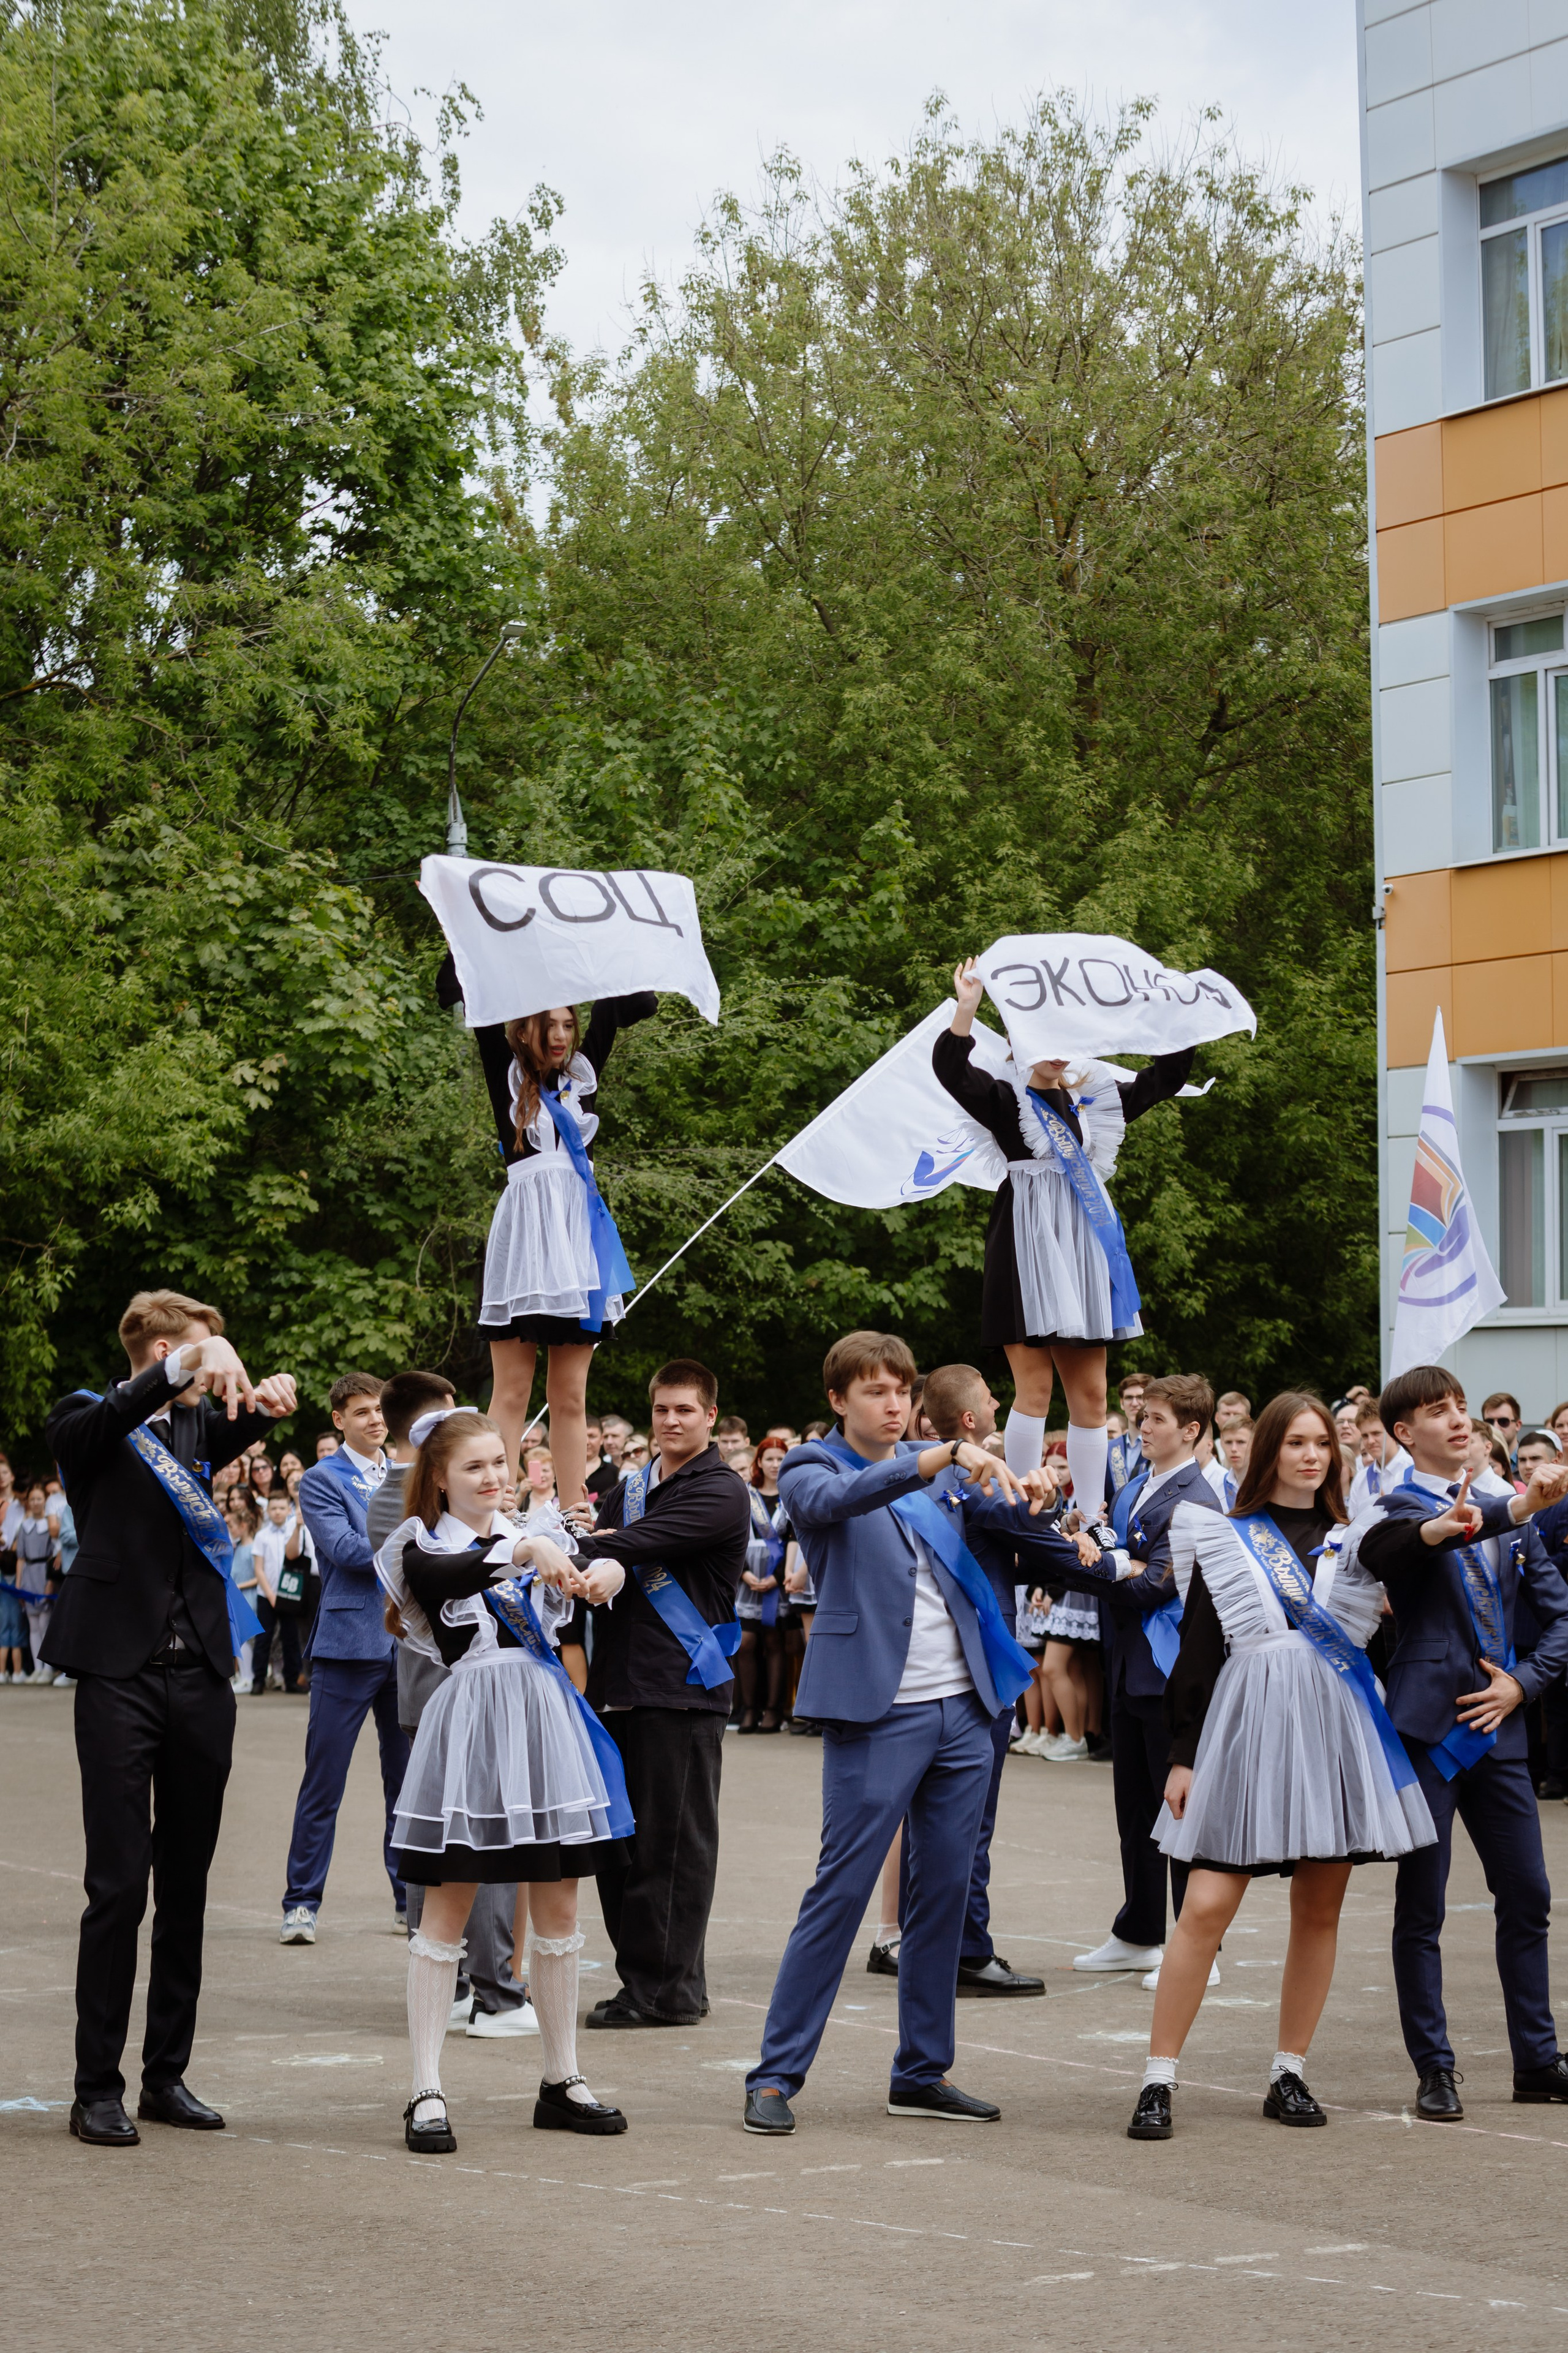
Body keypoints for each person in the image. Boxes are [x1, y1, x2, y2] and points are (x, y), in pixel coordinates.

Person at [744, 1332, 1060, 2136]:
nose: (891, 1404)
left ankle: (921, 2072)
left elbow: (1005, 1518)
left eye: (900, 1390)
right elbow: (826, 1507)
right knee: (841, 1892)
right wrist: (940, 1457)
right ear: (838, 1400)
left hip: (964, 1708)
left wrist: (1037, 1492)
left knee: (944, 1899)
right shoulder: (818, 1465)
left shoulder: (940, 1465)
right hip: (878, 1712)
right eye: (875, 1391)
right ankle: (775, 2074)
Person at [1125, 1391, 1436, 2143]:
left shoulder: (1357, 1539)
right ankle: (1157, 2079)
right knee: (1202, 1907)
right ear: (1267, 1450)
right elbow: (1199, 1646)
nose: (1310, 1455)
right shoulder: (1224, 1533)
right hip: (1243, 1727)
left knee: (1318, 1908)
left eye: (1322, 1444)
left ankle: (1288, 2070)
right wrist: (1181, 1753)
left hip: (1333, 1731)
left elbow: (1407, 1572)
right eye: (1295, 1442)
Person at [43, 1289, 296, 2146]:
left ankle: (166, 2077)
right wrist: (187, 1366)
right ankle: (95, 2087)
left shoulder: (194, 1430)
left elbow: (242, 1425)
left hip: (201, 1682)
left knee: (186, 1884)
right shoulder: (87, 1418)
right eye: (196, 1352)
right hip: (118, 1675)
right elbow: (106, 1419)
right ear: (157, 1352)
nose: (213, 1364)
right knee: (117, 1886)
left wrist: (274, 1391)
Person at [375, 1406, 631, 2148]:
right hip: (473, 1725)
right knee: (446, 1906)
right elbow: (450, 1573)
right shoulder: (420, 1544)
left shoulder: (537, 1533)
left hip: (545, 1720)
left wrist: (599, 1572)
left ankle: (562, 2077)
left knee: (558, 1903)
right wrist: (526, 1550)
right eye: (474, 1467)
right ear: (440, 1479)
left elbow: (590, 1576)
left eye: (500, 1462)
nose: (492, 1477)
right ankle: (425, 2087)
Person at [1354, 1366, 1568, 2120]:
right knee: (1423, 1905)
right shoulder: (1394, 1508)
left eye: (1462, 1410)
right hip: (1427, 1735)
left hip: (1500, 1732)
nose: (1457, 1421)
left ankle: (1537, 2060)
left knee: (1530, 1895)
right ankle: (1435, 2066)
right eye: (1436, 1412)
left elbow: (1561, 1616)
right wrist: (1503, 1508)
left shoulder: (1509, 1519)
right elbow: (1399, 1550)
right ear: (1404, 1432)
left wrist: (1522, 1683)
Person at [933, 957, 1196, 1519]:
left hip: (1080, 1251)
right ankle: (1025, 1503)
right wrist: (967, 1006)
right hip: (1026, 1247)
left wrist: (1178, 1013)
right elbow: (952, 1072)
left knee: (1094, 1397)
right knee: (1033, 1391)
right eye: (1043, 1038)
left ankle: (1092, 1514)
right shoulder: (1006, 1101)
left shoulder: (1095, 1102)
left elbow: (1164, 1077)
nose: (1056, 1050)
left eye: (1066, 1039)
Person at [567, 1361, 750, 2030]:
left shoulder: (721, 1490)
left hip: (681, 1687)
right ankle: (672, 1986)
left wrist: (580, 1544)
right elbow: (609, 1545)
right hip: (621, 1686)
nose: (672, 1420)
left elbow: (643, 1542)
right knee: (623, 1849)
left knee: (672, 1850)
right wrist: (583, 1543)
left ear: (710, 1416)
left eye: (686, 1410)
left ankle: (654, 1990)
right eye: (662, 1409)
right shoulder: (631, 1489)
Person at [439, 954, 655, 1505]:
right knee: (511, 1390)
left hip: (578, 1239)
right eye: (549, 1025)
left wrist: (602, 952)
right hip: (527, 1241)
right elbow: (460, 983)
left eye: (568, 1025)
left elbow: (639, 999)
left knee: (570, 1395)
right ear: (525, 1028)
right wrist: (463, 920)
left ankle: (573, 1507)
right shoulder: (503, 1070)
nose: (561, 1036)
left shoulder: (584, 1074)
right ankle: (493, 1503)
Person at [1067, 1374, 1224, 1986]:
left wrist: (1094, 1564)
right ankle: (1139, 1930)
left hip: (1171, 1670)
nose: (1143, 1425)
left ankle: (1198, 1944)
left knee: (1181, 1810)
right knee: (1134, 1809)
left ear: (1189, 1429)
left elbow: (1157, 1582)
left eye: (1156, 1418)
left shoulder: (1197, 1497)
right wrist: (1107, 1555)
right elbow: (1122, 1558)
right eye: (1144, 1416)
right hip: (1128, 1666)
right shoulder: (1136, 1484)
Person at [279, 1374, 409, 1944]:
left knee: (407, 1783)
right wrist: (420, 1537)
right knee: (323, 1781)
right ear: (339, 1420)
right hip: (347, 1645)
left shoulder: (408, 1470)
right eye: (361, 1412)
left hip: (408, 1645)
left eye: (380, 1410)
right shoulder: (321, 1479)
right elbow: (346, 1551)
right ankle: (302, 1901)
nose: (375, 1420)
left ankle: (412, 1899)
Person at [736, 1439, 791, 1734]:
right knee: (746, 1643)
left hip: (777, 1577)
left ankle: (773, 1710)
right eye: (769, 1458)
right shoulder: (747, 1495)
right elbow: (731, 1536)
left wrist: (779, 1576)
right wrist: (743, 1573)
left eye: (780, 1458)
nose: (774, 1464)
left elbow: (796, 1539)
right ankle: (749, 1709)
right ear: (759, 1462)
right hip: (747, 1574)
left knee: (774, 1643)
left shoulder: (790, 1494)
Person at [249, 1489, 304, 1694]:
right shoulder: (262, 1536)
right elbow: (258, 1569)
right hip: (267, 1596)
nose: (278, 1512)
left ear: (289, 1509)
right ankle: (258, 1680)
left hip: (290, 1595)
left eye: (282, 1508)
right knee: (263, 1639)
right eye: (274, 1509)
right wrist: (271, 1595)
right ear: (268, 1511)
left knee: (291, 1639)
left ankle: (291, 1681)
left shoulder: (294, 1532)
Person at [14, 1481, 58, 1682]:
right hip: (29, 1574)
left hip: (44, 1573)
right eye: (32, 1499)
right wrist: (19, 1584)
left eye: (39, 1499)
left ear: (45, 1501)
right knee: (33, 1625)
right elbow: (21, 1558)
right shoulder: (25, 1526)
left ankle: (48, 1668)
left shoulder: (49, 1526)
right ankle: (37, 1669)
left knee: (45, 1623)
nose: (35, 1502)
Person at [1482, 1392, 1523, 1470]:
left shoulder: (1530, 1462)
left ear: (1518, 1425)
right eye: (1489, 1422)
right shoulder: (1478, 1461)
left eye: (1503, 1422)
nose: (1496, 1427)